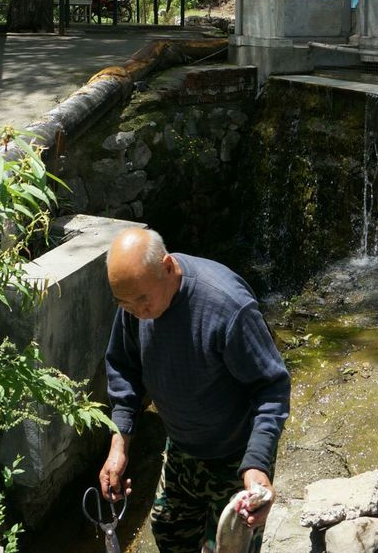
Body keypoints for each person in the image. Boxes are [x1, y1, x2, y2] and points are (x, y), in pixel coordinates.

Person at [99, 227, 290, 553]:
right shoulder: (135, 302)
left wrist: (257, 464)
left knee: (230, 548)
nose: (137, 312)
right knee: (169, 533)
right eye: (124, 304)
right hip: (181, 450)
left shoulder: (227, 306)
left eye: (142, 300)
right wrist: (120, 445)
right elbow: (124, 369)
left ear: (168, 266)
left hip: (236, 458)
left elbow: (271, 387)